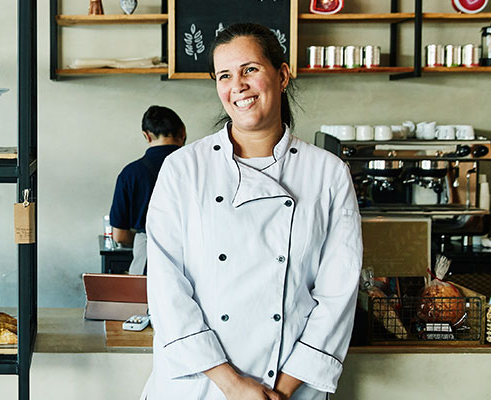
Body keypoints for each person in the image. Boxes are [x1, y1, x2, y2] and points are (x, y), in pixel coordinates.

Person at [142, 23, 362, 400]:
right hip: (200, 385)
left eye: (250, 70)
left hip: (290, 388)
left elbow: (337, 294)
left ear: (282, 75)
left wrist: (283, 389)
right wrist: (234, 385)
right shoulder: (183, 169)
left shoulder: (327, 173)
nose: (237, 86)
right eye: (224, 75)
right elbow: (166, 288)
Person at [108, 105, 187, 275]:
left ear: (146, 135)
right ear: (183, 132)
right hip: (192, 252)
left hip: (147, 257)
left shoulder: (130, 173)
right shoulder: (199, 167)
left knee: (146, 300)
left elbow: (120, 236)